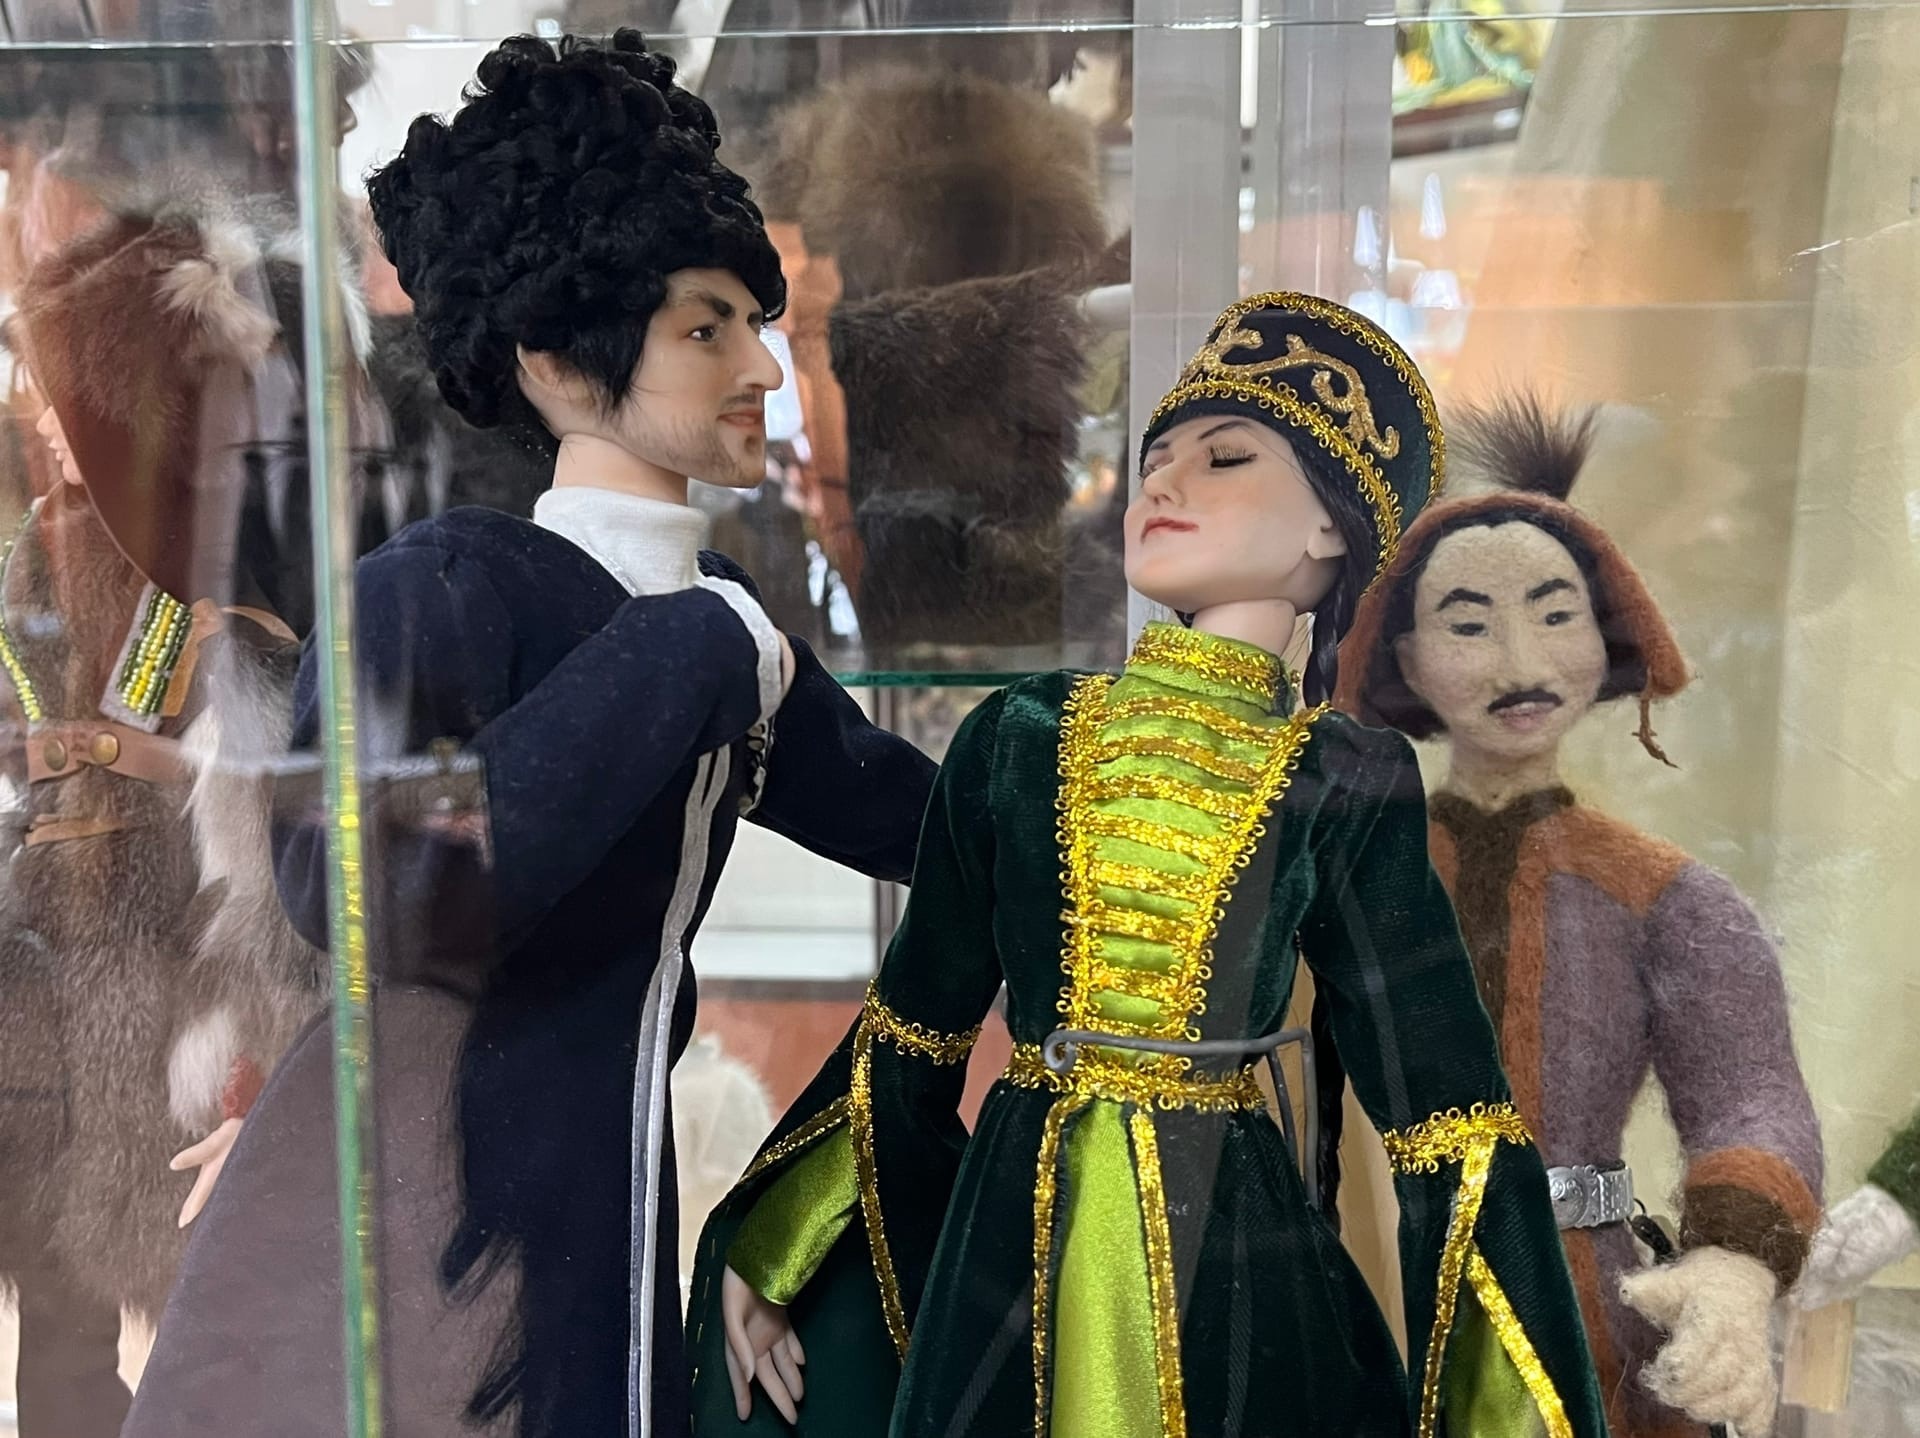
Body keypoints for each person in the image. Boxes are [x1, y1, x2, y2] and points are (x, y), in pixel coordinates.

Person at [123, 30, 936, 1438]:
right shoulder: (447, 585)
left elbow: (915, 814)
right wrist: (681, 655)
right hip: (435, 1210)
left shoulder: (723, 620)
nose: (761, 365)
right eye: (705, 329)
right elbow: (364, 884)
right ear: (555, 356)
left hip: (598, 1195)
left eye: (755, 323)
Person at [687, 292, 1608, 1438]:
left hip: (1232, 1243)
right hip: (1015, 1241)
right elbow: (910, 1032)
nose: (1163, 481)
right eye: (1154, 458)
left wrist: (1508, 1403)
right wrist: (778, 1243)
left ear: (1329, 531)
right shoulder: (1019, 736)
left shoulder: (1340, 777)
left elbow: (1445, 1111)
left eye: (1225, 457)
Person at [1337, 395, 1823, 1437]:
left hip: (1588, 1311)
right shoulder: (1350, 875)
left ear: (1603, 641)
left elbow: (1751, 1097)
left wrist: (1734, 1266)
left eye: (1556, 615)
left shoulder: (1668, 898)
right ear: (1407, 660)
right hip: (1374, 1289)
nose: (1520, 661)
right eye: (1469, 624)